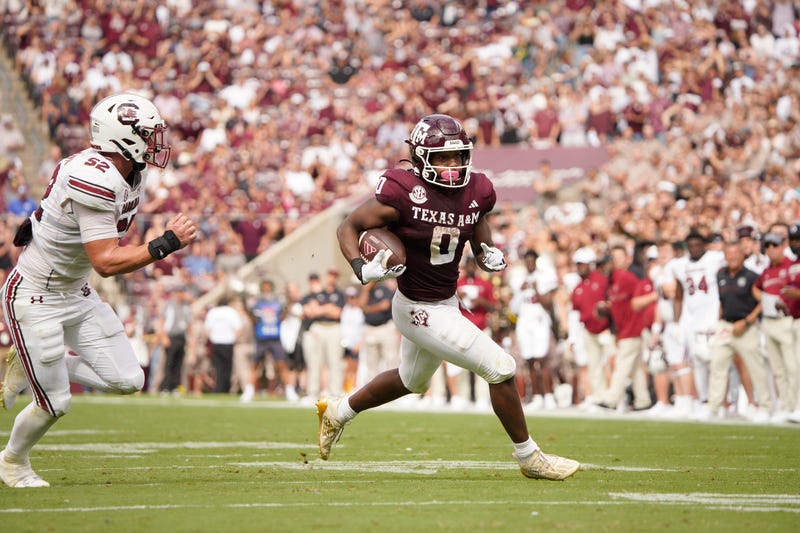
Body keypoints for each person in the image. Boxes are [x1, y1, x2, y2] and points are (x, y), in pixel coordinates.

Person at [317, 114, 579, 481]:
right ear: (421, 157)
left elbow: (477, 225)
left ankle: (338, 412)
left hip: (445, 301)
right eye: (442, 157)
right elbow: (350, 225)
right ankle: (529, 457)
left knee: (411, 381)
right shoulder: (402, 191)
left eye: (458, 156)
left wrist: (486, 252)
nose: (452, 164)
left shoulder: (477, 190)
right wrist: (361, 267)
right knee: (501, 367)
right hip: (417, 308)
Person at [0, 92, 197, 488]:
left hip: (75, 290)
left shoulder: (129, 171)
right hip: (35, 294)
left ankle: (32, 361)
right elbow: (106, 262)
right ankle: (12, 462)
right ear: (123, 138)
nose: (155, 143)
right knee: (55, 403)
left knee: (129, 380)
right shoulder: (93, 177)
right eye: (148, 135)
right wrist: (166, 244)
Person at [703, 241, 769, 421]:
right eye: (729, 254)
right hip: (726, 326)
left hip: (746, 327)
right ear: (725, 256)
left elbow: (763, 301)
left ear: (742, 255)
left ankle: (764, 406)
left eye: (735, 253)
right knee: (717, 366)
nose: (732, 257)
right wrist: (719, 322)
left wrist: (747, 321)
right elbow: (722, 301)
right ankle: (713, 407)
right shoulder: (721, 274)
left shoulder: (751, 276)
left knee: (756, 367)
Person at [243, 280, 297, 402]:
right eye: (264, 288)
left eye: (268, 288)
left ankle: (290, 390)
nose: (266, 291)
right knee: (255, 365)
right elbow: (253, 320)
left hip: (274, 337)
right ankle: (249, 391)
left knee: (282, 364)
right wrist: (247, 309)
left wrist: (287, 305)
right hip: (261, 337)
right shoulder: (257, 303)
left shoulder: (277, 303)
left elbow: (282, 318)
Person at [301, 269, 345, 402]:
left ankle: (335, 393)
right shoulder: (318, 293)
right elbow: (311, 312)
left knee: (335, 361)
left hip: (334, 327)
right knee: (314, 361)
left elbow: (337, 313)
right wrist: (328, 308)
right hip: (318, 327)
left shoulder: (339, 294)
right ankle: (312, 392)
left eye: (334, 276)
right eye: (330, 275)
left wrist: (321, 309)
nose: (332, 278)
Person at [203, 295, 244, 394]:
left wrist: (212, 338)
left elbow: (207, 329)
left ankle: (219, 387)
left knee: (218, 367)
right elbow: (239, 328)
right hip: (228, 342)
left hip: (216, 342)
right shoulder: (231, 312)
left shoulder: (213, 312)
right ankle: (226, 388)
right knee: (227, 367)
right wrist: (234, 339)